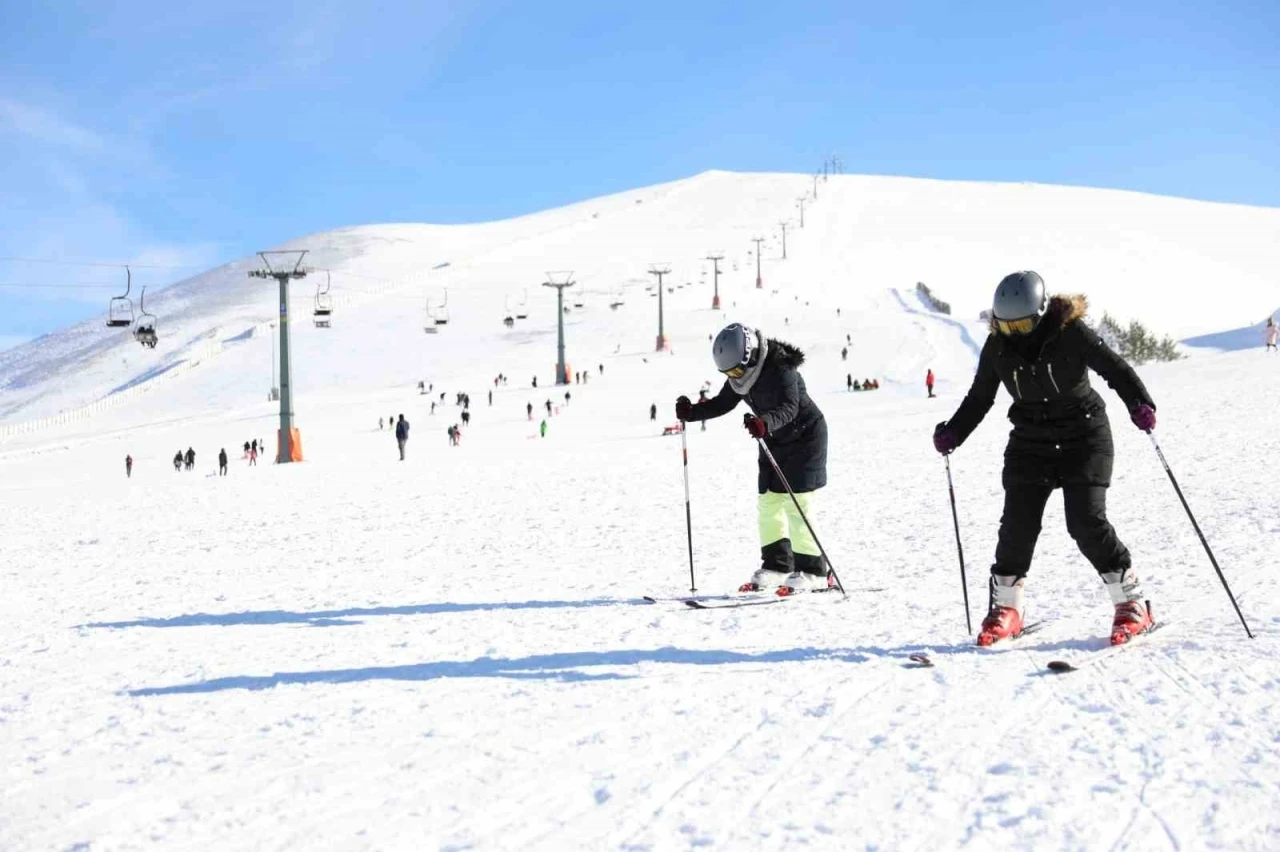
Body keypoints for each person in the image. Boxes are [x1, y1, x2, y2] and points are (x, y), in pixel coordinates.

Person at [932, 271, 1158, 648]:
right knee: (1017, 524)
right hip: (1030, 441)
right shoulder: (998, 346)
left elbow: (1115, 369)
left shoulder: (1070, 333)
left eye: (1022, 325)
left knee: (1085, 521)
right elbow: (980, 397)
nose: (1014, 333)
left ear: (1040, 314)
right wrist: (954, 432)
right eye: (1006, 325)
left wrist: (1139, 403)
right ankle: (1007, 609)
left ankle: (1131, 602)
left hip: (1084, 435)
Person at [676, 323, 829, 594]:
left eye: (736, 371)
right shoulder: (742, 375)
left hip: (805, 437)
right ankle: (777, 566)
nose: (734, 377)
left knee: (797, 504)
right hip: (772, 439)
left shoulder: (781, 368)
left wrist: (765, 423)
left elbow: (790, 408)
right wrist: (692, 413)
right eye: (728, 374)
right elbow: (723, 403)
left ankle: (814, 572)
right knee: (769, 503)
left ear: (750, 355)